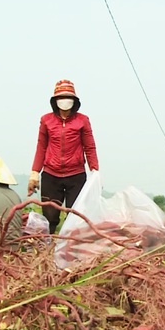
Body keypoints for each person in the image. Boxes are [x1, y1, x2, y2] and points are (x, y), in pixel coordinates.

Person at [28, 79, 99, 234]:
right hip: (51, 174)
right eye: (61, 98)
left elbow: (90, 147)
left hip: (76, 174)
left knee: (75, 216)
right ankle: (47, 246)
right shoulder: (46, 120)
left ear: (74, 101)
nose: (65, 102)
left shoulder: (83, 120)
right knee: (49, 215)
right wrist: (34, 172)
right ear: (55, 101)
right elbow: (41, 146)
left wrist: (95, 171)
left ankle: (70, 248)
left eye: (68, 98)